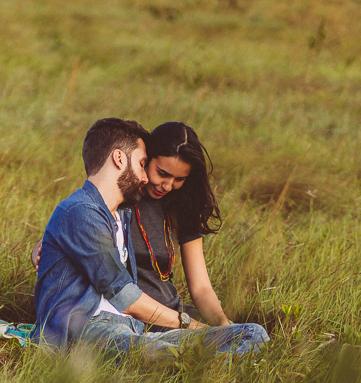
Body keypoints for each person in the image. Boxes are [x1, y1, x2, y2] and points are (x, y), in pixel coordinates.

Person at [32, 118, 267, 360]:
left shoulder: (159, 209)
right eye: (158, 171)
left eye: (179, 179)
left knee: (252, 334)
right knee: (162, 352)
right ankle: (200, 366)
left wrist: (221, 324)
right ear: (134, 160)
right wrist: (47, 247)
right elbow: (76, 220)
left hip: (153, 316)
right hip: (115, 317)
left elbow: (201, 287)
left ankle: (210, 365)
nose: (166, 185)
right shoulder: (114, 204)